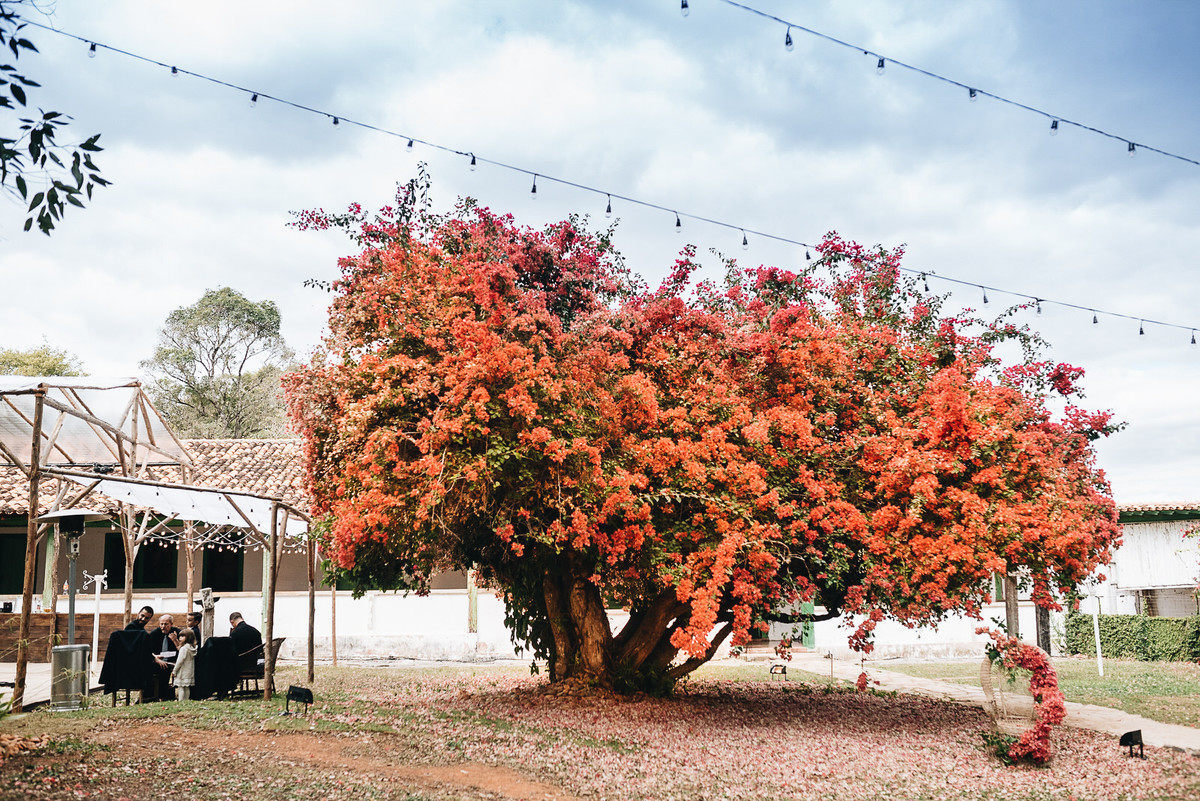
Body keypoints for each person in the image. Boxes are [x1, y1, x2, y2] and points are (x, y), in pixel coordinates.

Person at [170, 629, 197, 701]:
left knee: (181, 687)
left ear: (188, 637)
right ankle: (186, 700)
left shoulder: (184, 649)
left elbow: (179, 661)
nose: (180, 638)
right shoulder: (191, 648)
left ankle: (181, 701)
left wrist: (174, 671)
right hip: (189, 672)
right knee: (187, 687)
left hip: (182, 672)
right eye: (180, 636)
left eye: (182, 636)